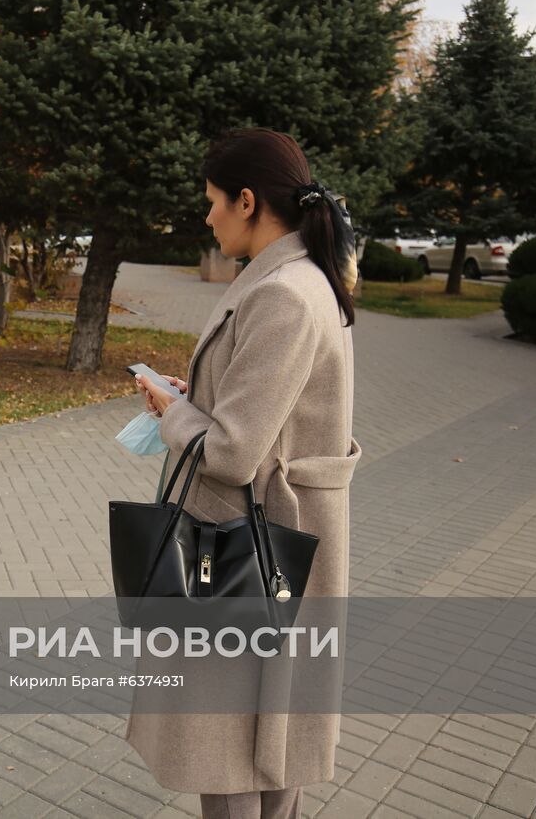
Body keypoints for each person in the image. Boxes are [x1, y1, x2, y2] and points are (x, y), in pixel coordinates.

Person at [128, 128, 362, 819]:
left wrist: (177, 414)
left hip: (247, 548)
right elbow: (268, 412)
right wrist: (192, 398)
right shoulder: (304, 279)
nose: (207, 216)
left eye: (213, 202)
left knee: (233, 742)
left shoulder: (283, 294)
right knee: (270, 737)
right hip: (280, 539)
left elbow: (232, 453)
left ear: (249, 201)